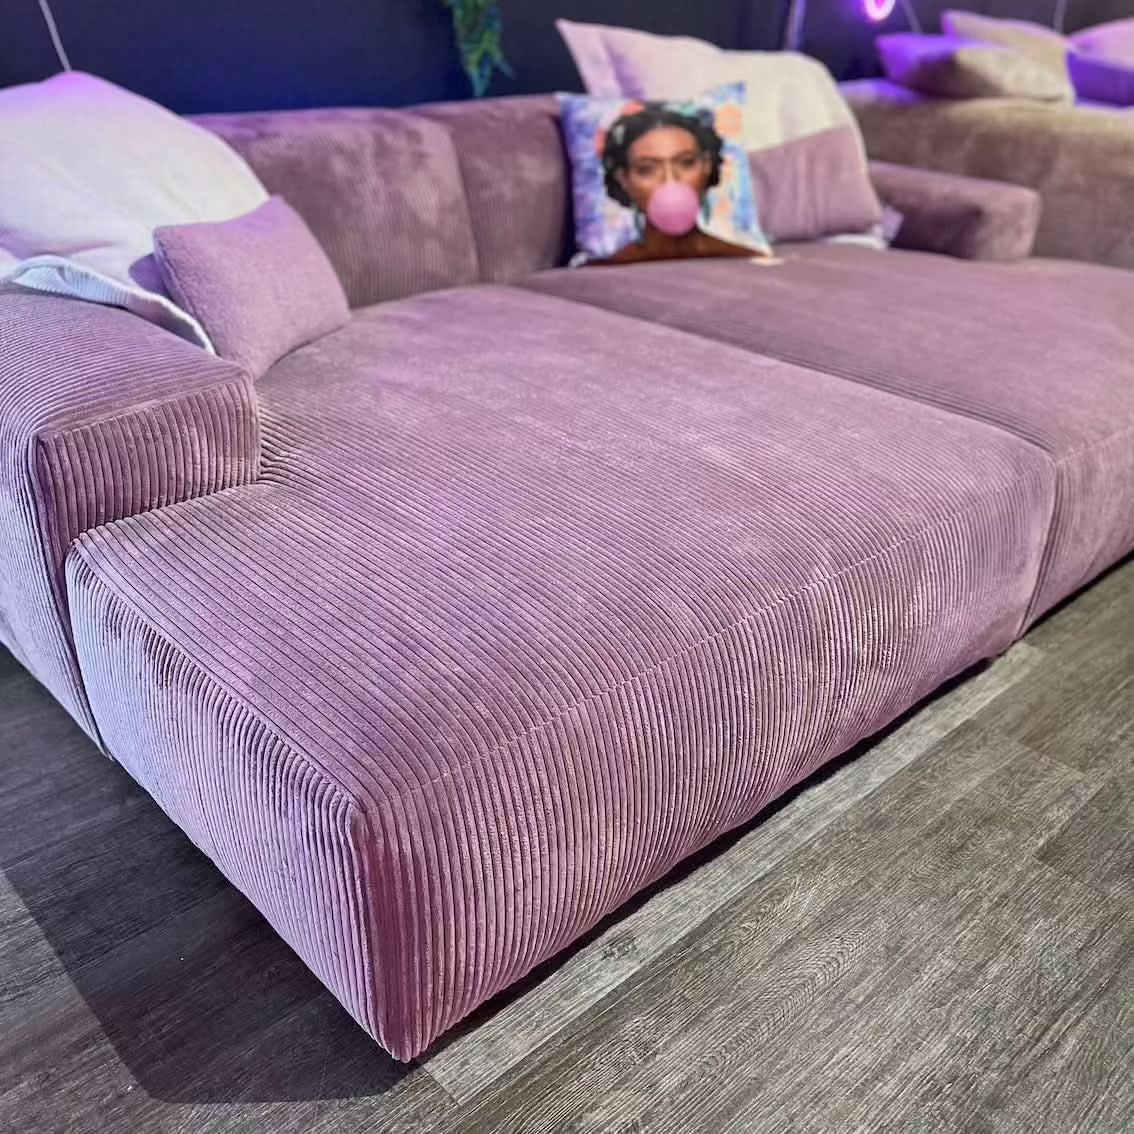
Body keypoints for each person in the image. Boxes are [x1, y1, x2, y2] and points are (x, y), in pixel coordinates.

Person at [595, 105, 764, 265]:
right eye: (646, 169)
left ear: (706, 166)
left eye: (686, 163)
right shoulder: (603, 266)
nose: (670, 180)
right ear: (624, 179)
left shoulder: (746, 255)